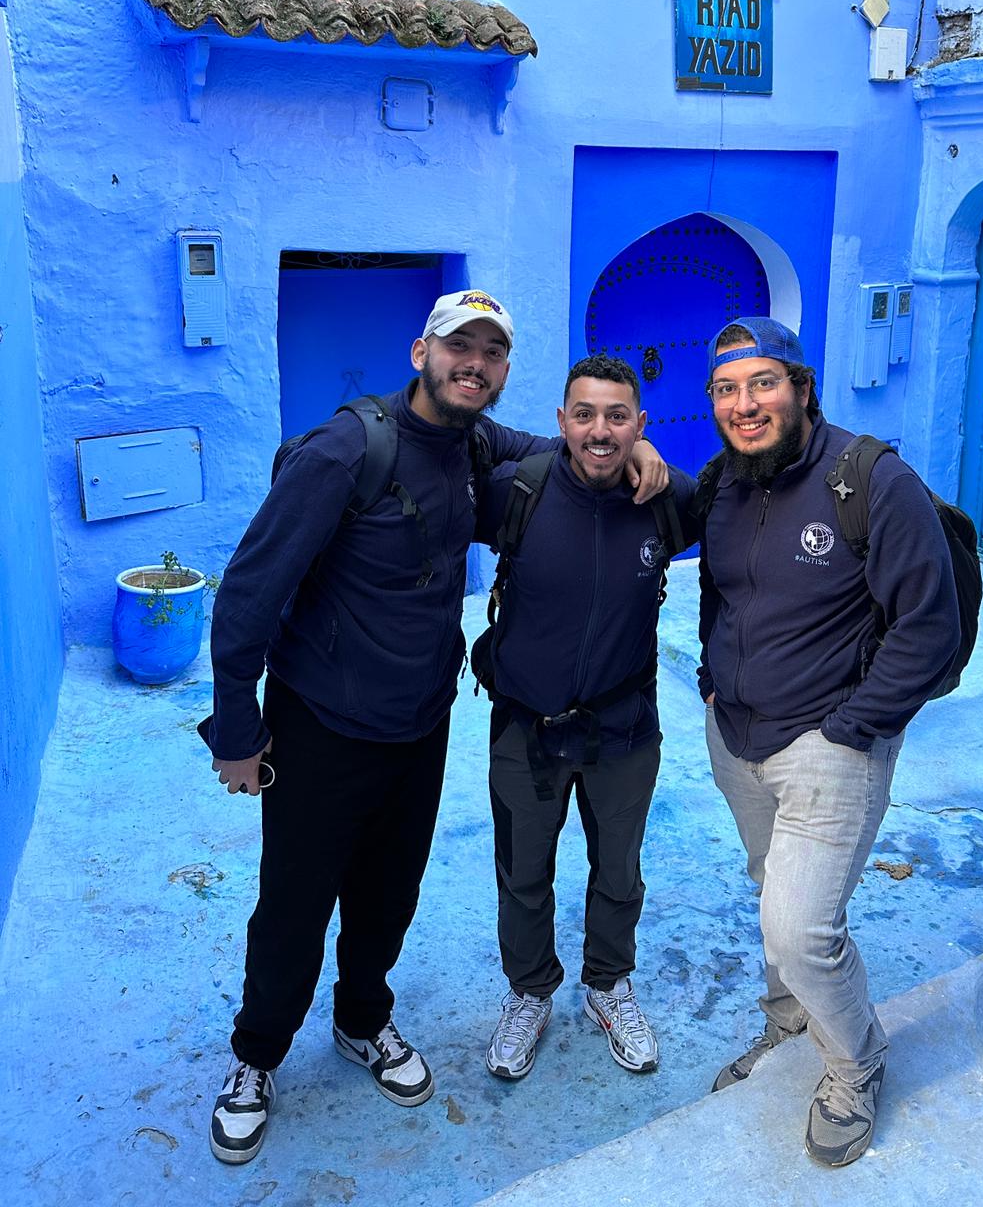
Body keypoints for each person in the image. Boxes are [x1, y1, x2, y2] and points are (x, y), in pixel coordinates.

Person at [201, 293, 666, 1165]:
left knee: (389, 892)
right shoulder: (349, 449)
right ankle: (255, 1057)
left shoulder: (473, 443)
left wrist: (634, 444)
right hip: (321, 724)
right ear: (421, 350)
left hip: (420, 724)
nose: (475, 364)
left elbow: (556, 449)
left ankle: (361, 1022)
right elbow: (250, 591)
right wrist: (237, 727)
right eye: (460, 346)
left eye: (493, 352)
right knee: (296, 905)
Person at [697, 317, 959, 1168]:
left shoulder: (871, 480)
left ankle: (856, 1064)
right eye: (728, 390)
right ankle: (790, 1028)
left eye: (764, 383)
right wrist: (713, 679)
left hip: (830, 744)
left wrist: (855, 726)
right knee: (771, 892)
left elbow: (930, 626)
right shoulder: (725, 484)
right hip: (737, 740)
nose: (747, 404)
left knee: (801, 928)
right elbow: (723, 595)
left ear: (802, 389)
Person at [473, 355, 696, 1082]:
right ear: (561, 420)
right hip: (524, 729)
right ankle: (530, 990)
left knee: (619, 872)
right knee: (523, 873)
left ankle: (608, 985)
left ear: (641, 423)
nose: (601, 432)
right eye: (585, 415)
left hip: (625, 729)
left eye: (619, 417)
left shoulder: (667, 500)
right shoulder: (519, 492)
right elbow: (453, 444)